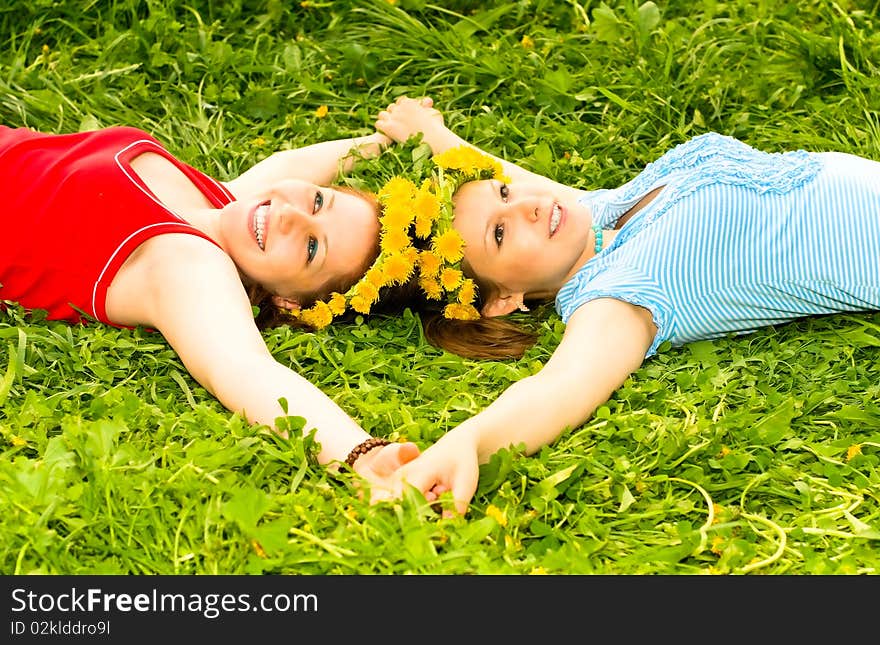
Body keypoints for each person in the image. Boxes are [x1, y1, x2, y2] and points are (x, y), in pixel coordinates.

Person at [368, 95, 880, 515]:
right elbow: (561, 386)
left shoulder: (598, 214)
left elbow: (521, 186)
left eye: (504, 194)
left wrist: (433, 135)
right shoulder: (617, 291)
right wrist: (468, 441)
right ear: (505, 299)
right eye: (500, 233)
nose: (524, 206)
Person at [0, 120, 422, 488]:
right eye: (317, 201)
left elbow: (243, 368)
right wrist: (389, 138)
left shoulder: (186, 263)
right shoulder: (222, 200)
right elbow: (290, 163)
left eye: (312, 247)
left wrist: (361, 453)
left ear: (288, 301)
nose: (292, 215)